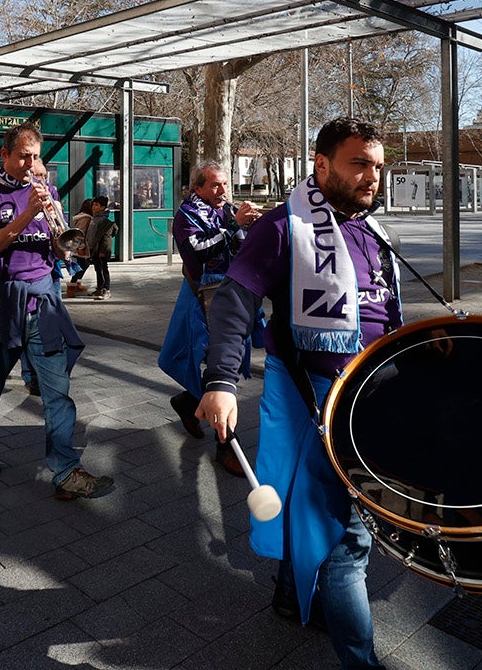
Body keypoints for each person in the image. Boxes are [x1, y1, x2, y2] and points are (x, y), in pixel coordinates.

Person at [197, 118, 400, 669]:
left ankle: (290, 596)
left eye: (377, 166)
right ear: (322, 164)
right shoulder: (284, 228)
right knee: (346, 544)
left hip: (373, 398)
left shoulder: (371, 230)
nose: (372, 177)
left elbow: (380, 310)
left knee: (309, 514)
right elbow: (233, 304)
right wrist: (220, 383)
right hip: (321, 402)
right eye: (359, 163)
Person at [0, 122, 114, 499]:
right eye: (23, 156)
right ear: (5, 155)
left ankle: (65, 470)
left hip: (43, 299)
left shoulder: (46, 189)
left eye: (36, 156)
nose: (31, 164)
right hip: (0, 303)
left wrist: (65, 244)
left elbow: (58, 247)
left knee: (57, 389)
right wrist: (28, 213)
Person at [161, 161, 261, 477]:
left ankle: (188, 402)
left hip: (234, 294)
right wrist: (234, 225)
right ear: (198, 188)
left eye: (225, 184)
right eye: (215, 185)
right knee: (217, 366)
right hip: (204, 300)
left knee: (221, 364)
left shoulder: (225, 209)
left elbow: (243, 245)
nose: (222, 191)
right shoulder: (185, 216)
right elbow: (198, 252)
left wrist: (252, 225)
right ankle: (226, 447)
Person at [86, 195, 116, 300]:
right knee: (98, 269)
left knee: (103, 269)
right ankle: (99, 288)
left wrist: (103, 251)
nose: (94, 207)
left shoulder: (104, 221)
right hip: (94, 249)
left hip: (101, 250)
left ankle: (106, 290)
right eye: (93, 204)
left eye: (97, 205)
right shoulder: (94, 218)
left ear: (103, 207)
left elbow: (106, 238)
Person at [66, 197, 94, 297]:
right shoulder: (86, 218)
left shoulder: (82, 217)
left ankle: (77, 284)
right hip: (81, 246)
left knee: (83, 265)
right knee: (83, 265)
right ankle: (72, 286)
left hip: (79, 245)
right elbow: (80, 233)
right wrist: (81, 247)